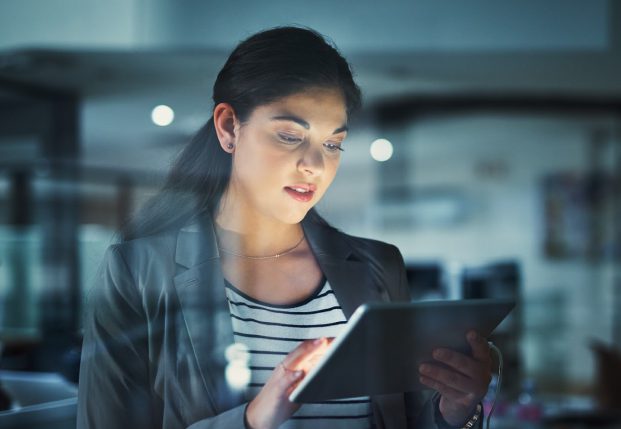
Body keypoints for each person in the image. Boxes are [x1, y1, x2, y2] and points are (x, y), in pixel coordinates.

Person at [77, 26, 492, 429]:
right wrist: (252, 420)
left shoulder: (379, 266)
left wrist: (456, 411)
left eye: (332, 144)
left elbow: (407, 419)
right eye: (291, 136)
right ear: (228, 127)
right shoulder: (137, 271)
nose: (314, 165)